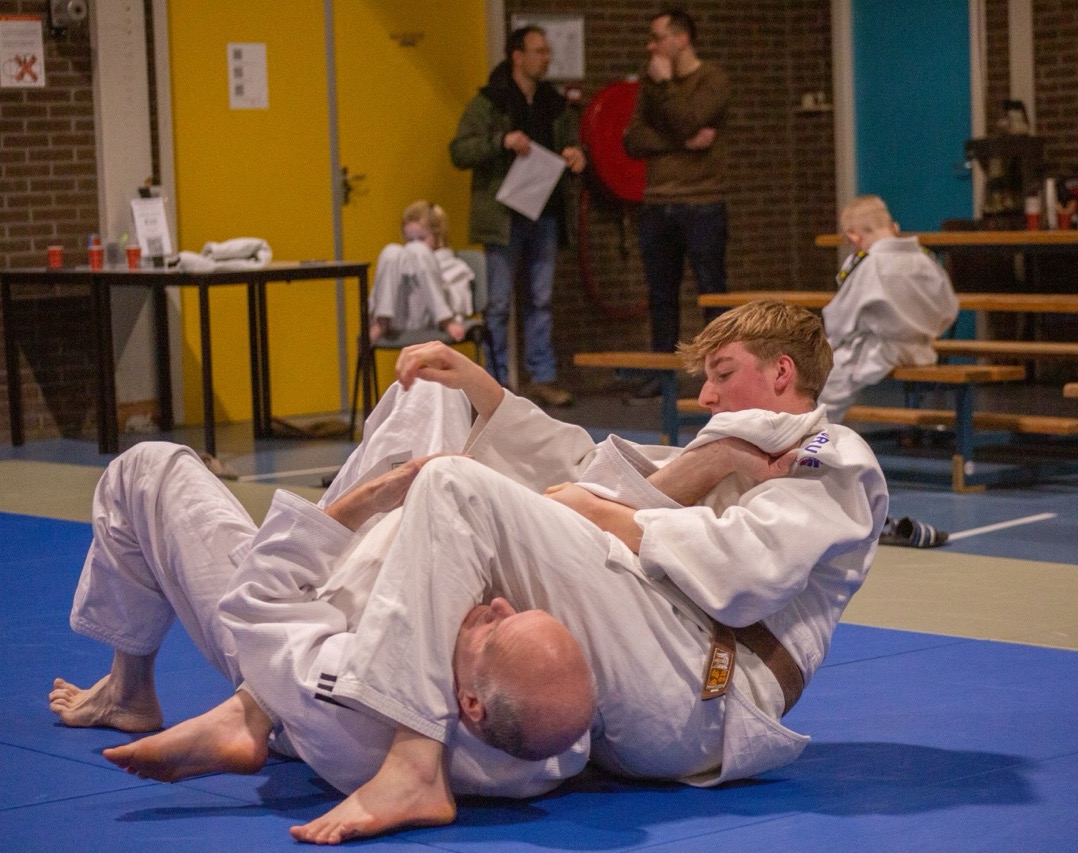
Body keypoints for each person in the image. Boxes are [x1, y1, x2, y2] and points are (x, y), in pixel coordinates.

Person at [66, 300, 887, 844]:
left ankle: (409, 760)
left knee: (456, 487)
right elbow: (584, 469)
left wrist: (611, 513)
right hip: (658, 662)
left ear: (782, 373)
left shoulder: (831, 453)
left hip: (707, 686)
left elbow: (742, 574)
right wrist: (487, 394)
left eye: (723, 372)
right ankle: (253, 701)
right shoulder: (727, 446)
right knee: (435, 446)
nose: (705, 393)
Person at [48, 391, 596, 827]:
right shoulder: (555, 745)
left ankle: (182, 700)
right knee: (431, 390)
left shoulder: (360, 700)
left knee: (147, 467)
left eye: (496, 629)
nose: (498, 605)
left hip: (291, 624)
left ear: (470, 703)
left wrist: (368, 500)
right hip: (338, 611)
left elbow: (265, 602)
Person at [449, 25, 585, 408]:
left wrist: (576, 154)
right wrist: (501, 141)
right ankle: (493, 382)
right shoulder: (489, 101)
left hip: (545, 210)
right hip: (503, 215)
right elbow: (459, 151)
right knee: (498, 303)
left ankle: (542, 376)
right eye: (539, 51)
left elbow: (571, 143)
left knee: (541, 300)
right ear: (517, 56)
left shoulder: (554, 103)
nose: (546, 58)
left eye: (548, 51)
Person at [820, 195, 960, 548]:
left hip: (877, 347)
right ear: (893, 227)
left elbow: (840, 318)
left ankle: (813, 456)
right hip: (921, 347)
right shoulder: (925, 258)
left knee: (822, 389)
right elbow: (949, 309)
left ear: (853, 236)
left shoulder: (868, 264)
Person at [624, 9, 730, 397]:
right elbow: (633, 139)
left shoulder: (713, 79)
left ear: (681, 38)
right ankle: (662, 373)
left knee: (711, 291)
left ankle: (723, 371)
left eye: (657, 38)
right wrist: (682, 142)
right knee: (661, 294)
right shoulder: (651, 83)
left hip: (701, 202)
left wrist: (667, 86)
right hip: (657, 202)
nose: (650, 46)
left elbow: (688, 119)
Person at [367, 201, 474, 346]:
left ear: (438, 236)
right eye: (410, 240)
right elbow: (380, 290)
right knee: (390, 251)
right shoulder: (401, 259)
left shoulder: (453, 265)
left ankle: (445, 320)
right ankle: (382, 321)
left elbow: (460, 303)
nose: (414, 243)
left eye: (422, 238)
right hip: (398, 319)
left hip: (432, 321)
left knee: (419, 251)